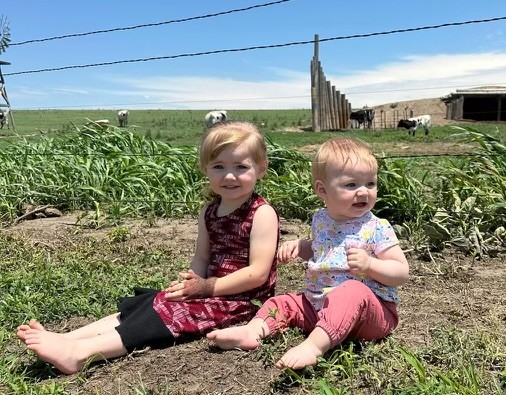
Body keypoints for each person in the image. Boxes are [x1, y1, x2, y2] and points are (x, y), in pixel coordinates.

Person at [17, 121, 279, 374]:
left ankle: (80, 354)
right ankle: (67, 338)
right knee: (152, 301)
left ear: (261, 168)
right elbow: (202, 256)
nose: (229, 175)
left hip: (243, 301)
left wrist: (206, 288)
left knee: (166, 313)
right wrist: (191, 284)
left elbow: (258, 273)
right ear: (206, 168)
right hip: (211, 289)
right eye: (219, 166)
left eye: (241, 167)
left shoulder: (261, 213)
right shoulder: (209, 211)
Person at [208, 137, 409, 369]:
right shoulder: (322, 220)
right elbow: (321, 248)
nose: (363, 192)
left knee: (352, 291)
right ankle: (253, 331)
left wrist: (371, 265)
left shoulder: (377, 227)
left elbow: (401, 272)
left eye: (370, 184)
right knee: (283, 302)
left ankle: (313, 347)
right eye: (351, 185)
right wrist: (300, 247)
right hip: (318, 305)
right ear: (322, 190)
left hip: (371, 315)